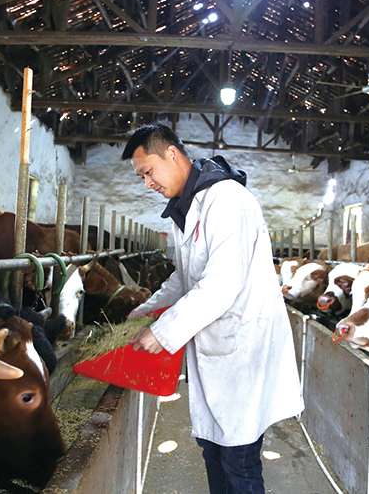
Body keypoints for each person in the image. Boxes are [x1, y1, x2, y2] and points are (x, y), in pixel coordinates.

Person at [123, 123, 304, 494]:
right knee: (212, 450)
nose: (147, 184)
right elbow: (183, 277)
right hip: (216, 352)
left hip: (242, 350)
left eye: (148, 172)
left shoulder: (226, 200)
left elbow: (222, 283)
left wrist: (161, 332)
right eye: (141, 177)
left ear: (171, 154)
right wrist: (143, 312)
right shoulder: (186, 207)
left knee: (239, 461)